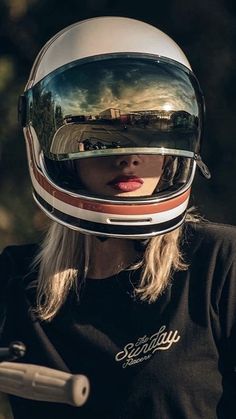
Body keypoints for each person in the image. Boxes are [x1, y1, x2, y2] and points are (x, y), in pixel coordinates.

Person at [0, 15, 235, 419]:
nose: (128, 155)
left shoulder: (218, 262)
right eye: (100, 135)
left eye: (151, 128)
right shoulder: (15, 283)